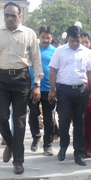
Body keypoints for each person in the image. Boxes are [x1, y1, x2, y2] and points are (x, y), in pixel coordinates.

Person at [0, 1, 43, 175]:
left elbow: (36, 60)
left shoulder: (29, 34)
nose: (9, 18)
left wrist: (36, 84)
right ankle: (10, 143)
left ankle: (18, 161)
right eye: (6, 15)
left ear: (19, 16)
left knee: (20, 120)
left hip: (22, 78)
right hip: (1, 78)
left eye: (13, 15)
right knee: (0, 117)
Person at [48, 25, 91, 166]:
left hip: (81, 91)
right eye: (73, 40)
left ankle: (78, 153)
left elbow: (90, 73)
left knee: (79, 123)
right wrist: (52, 90)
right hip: (64, 91)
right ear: (67, 38)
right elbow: (53, 71)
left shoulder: (86, 52)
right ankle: (63, 147)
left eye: (78, 40)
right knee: (63, 120)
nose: (75, 43)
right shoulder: (59, 51)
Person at [28, 26, 57, 156]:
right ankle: (36, 137)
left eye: (48, 37)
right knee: (33, 113)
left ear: (51, 37)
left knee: (49, 118)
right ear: (39, 36)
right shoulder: (33, 49)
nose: (46, 40)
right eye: (43, 37)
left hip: (49, 89)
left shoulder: (56, 51)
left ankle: (48, 145)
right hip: (33, 87)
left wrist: (55, 89)